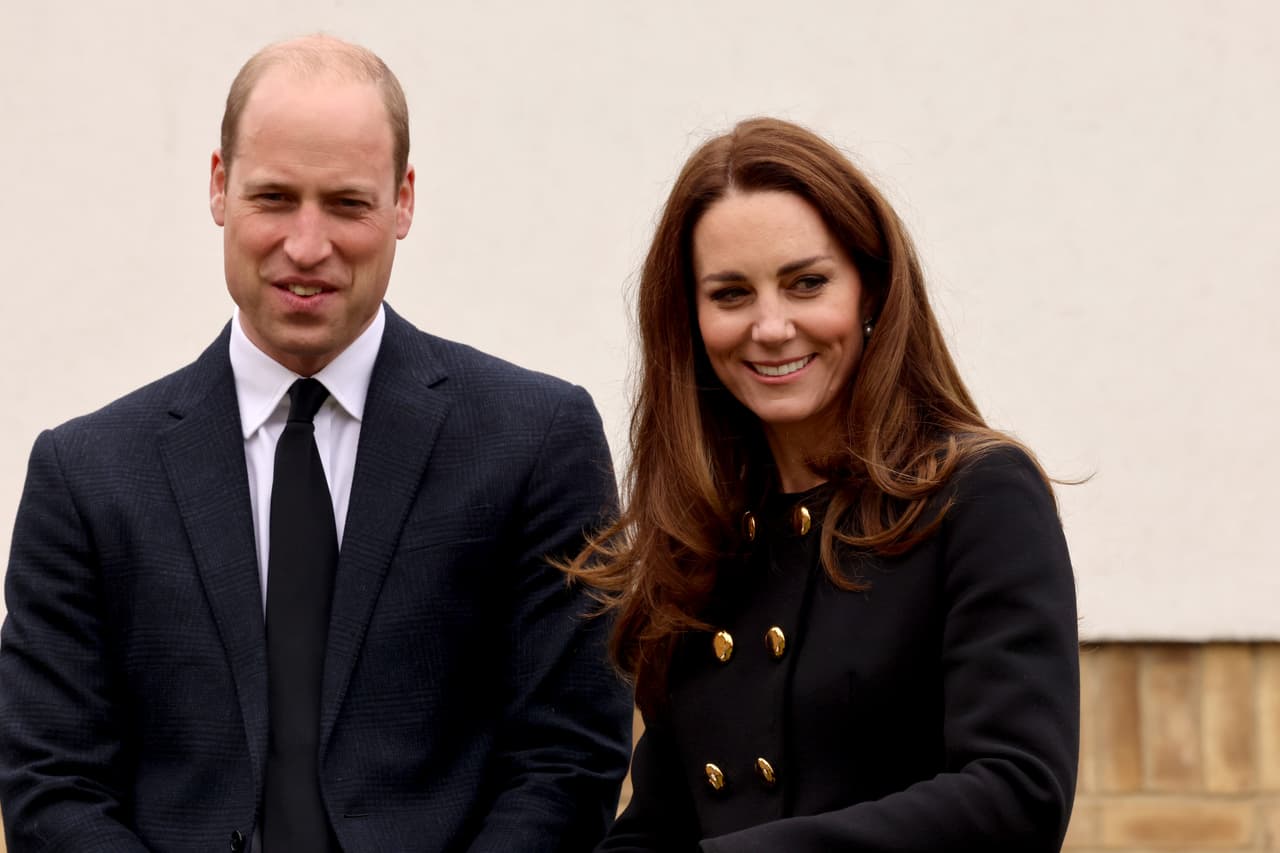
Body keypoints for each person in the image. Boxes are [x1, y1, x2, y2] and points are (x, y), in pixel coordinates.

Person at [0, 35, 631, 852]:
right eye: (273, 198)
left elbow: (570, 760)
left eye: (346, 203)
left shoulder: (535, 441)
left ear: (403, 201)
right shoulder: (84, 477)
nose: (306, 246)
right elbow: (51, 783)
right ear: (220, 187)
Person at [568, 118, 1079, 851]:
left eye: (807, 283)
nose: (771, 327)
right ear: (691, 316)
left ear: (870, 290)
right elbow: (661, 820)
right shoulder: (708, 536)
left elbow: (1016, 793)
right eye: (731, 293)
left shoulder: (979, 494)